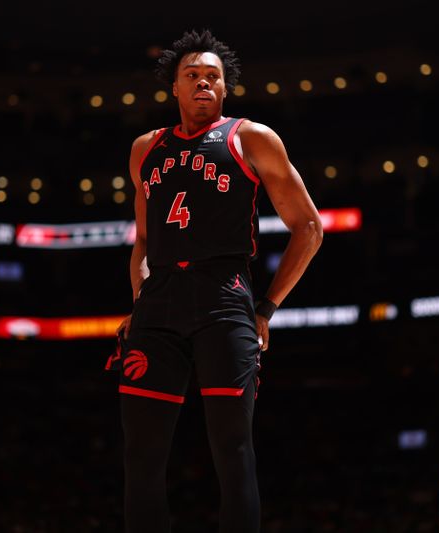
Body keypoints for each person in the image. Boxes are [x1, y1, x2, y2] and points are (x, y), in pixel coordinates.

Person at [105, 29, 323, 532]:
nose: (203, 83)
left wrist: (266, 308)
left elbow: (309, 228)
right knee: (141, 454)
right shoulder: (145, 148)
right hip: (158, 302)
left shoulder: (251, 137)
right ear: (174, 89)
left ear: (225, 89)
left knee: (232, 447)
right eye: (192, 76)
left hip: (225, 297)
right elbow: (142, 242)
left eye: (213, 77)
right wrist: (140, 303)